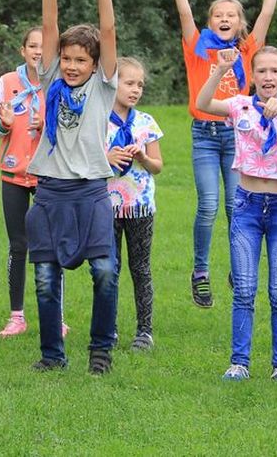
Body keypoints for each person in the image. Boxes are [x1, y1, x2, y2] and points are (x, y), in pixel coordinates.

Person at [162, 0, 277, 308]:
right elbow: (183, 11)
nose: (224, 18)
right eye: (218, 14)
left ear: (239, 23)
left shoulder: (247, 51)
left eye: (231, 15)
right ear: (210, 22)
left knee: (238, 207)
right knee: (207, 206)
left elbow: (267, 11)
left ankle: (239, 267)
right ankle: (200, 272)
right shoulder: (197, 47)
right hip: (204, 135)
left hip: (238, 135)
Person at [25, 0, 120, 375]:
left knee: (104, 271)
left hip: (91, 194)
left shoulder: (104, 87)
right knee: (45, 280)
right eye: (66, 58)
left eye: (81, 59)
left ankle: (100, 350)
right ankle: (52, 356)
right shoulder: (50, 84)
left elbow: (108, 29)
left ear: (96, 64)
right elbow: (48, 24)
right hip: (50, 194)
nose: (72, 65)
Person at [195, 45, 277, 388]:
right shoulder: (239, 106)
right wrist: (219, 70)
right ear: (253, 74)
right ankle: (239, 362)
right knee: (244, 289)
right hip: (246, 206)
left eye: (275, 71)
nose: (268, 77)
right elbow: (202, 105)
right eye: (262, 70)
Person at [104, 57, 163, 351]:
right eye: (129, 83)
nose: (136, 89)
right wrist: (107, 159)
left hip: (140, 207)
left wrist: (142, 157)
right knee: (108, 269)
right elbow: (84, 163)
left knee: (140, 268)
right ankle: (108, 329)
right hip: (105, 206)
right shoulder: (97, 120)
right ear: (113, 83)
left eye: (140, 84)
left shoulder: (146, 122)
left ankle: (145, 330)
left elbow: (158, 166)